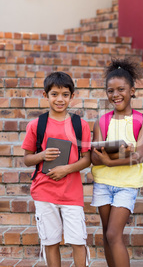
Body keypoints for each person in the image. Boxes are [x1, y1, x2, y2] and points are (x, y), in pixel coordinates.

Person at [22, 72, 91, 267]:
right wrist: (42, 155)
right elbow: (27, 159)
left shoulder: (80, 125)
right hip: (44, 191)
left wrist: (66, 169)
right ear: (45, 95)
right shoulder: (37, 125)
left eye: (65, 94)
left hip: (72, 193)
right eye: (54, 94)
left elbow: (87, 159)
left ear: (72, 96)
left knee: (78, 241)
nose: (60, 99)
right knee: (50, 241)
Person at [90, 58, 143, 267]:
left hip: (127, 184)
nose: (115, 95)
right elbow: (94, 156)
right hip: (103, 183)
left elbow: (140, 156)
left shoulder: (142, 120)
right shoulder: (102, 121)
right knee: (107, 235)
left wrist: (109, 160)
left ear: (132, 91)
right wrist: (119, 155)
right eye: (110, 91)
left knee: (115, 233)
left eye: (121, 89)